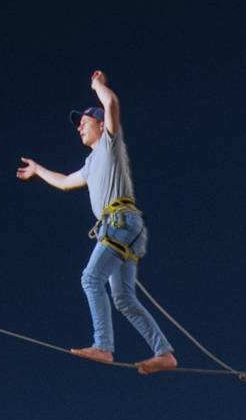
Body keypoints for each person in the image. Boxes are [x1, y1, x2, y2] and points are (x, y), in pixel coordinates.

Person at [16, 71, 176, 376]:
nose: (79, 127)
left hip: (121, 224)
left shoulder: (110, 145)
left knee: (91, 279)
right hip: (122, 229)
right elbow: (64, 183)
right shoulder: (91, 164)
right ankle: (164, 353)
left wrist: (96, 86)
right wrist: (37, 170)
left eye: (84, 122)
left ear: (101, 125)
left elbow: (112, 102)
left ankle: (103, 345)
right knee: (124, 298)